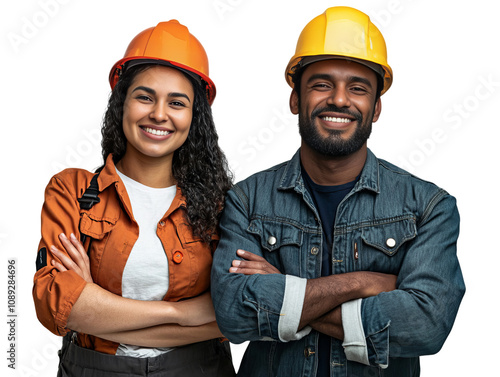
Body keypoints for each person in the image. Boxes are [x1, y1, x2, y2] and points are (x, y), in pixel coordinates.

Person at [211, 6, 465, 376]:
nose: (340, 100)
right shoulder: (246, 201)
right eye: (322, 84)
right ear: (296, 99)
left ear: (375, 107)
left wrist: (285, 296)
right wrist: (366, 283)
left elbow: (426, 325)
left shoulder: (428, 207)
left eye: (358, 88)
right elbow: (233, 315)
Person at [33, 20, 235, 376]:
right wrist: (184, 313)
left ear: (195, 117)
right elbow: (56, 307)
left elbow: (235, 317)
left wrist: (98, 304)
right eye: (145, 96)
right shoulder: (72, 191)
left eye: (177, 102)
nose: (159, 114)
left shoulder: (223, 205)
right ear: (121, 103)